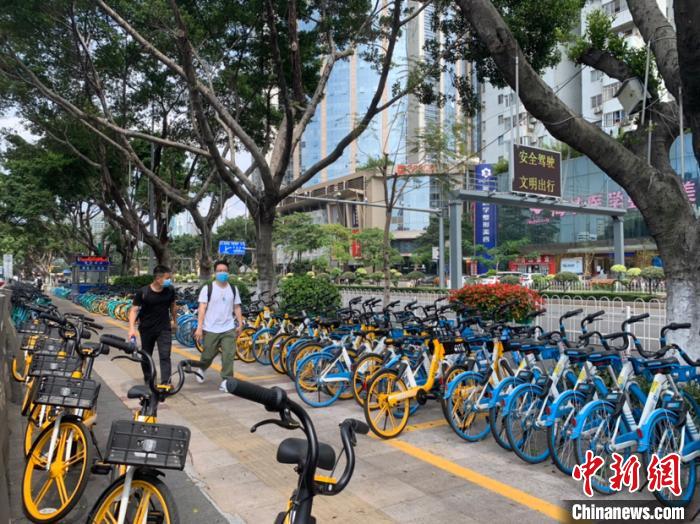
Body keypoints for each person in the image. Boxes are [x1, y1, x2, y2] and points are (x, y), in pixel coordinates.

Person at [193, 260, 243, 390]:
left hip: (228, 328)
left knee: (228, 355)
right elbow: (202, 308)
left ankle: (226, 381)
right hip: (211, 328)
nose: (222, 273)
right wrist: (199, 327)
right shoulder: (208, 288)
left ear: (228, 272)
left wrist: (240, 323)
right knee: (208, 354)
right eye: (219, 271)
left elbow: (236, 307)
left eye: (225, 271)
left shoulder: (233, 288)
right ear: (215, 273)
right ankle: (202, 367)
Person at [127, 265, 177, 385]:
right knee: (146, 356)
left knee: (165, 356)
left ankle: (166, 383)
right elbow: (134, 310)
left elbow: (173, 306)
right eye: (167, 278)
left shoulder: (170, 290)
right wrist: (131, 329)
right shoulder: (143, 292)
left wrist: (175, 321)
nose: (169, 280)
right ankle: (149, 380)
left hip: (164, 328)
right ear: (158, 279)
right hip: (146, 329)